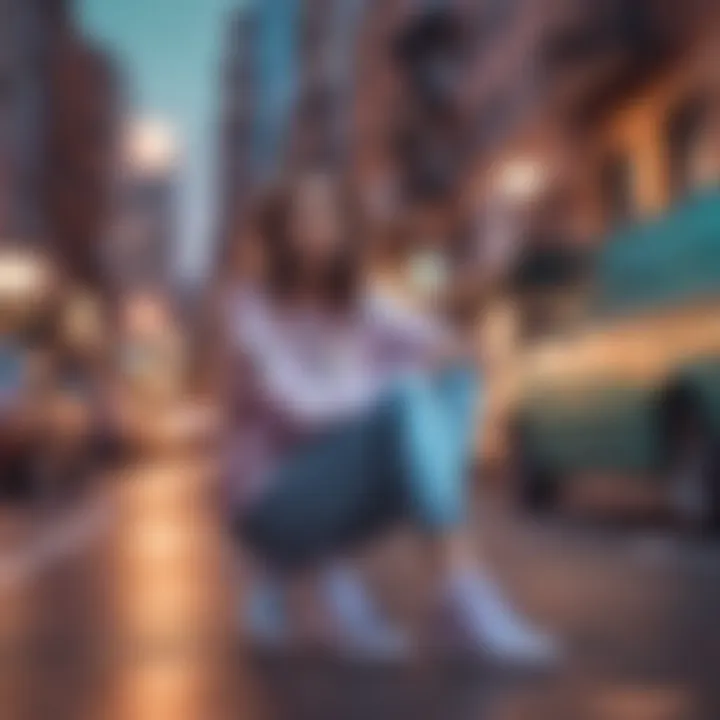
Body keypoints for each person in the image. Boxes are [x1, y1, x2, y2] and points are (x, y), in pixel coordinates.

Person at [222, 172, 557, 663]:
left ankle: (432, 589)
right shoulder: (251, 310)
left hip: (333, 488)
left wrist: (460, 349)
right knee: (404, 397)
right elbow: (301, 410)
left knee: (451, 384)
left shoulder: (361, 304)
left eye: (331, 217)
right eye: (304, 219)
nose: (319, 230)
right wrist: (397, 380)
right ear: (280, 233)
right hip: (270, 502)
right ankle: (458, 590)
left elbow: (440, 341)